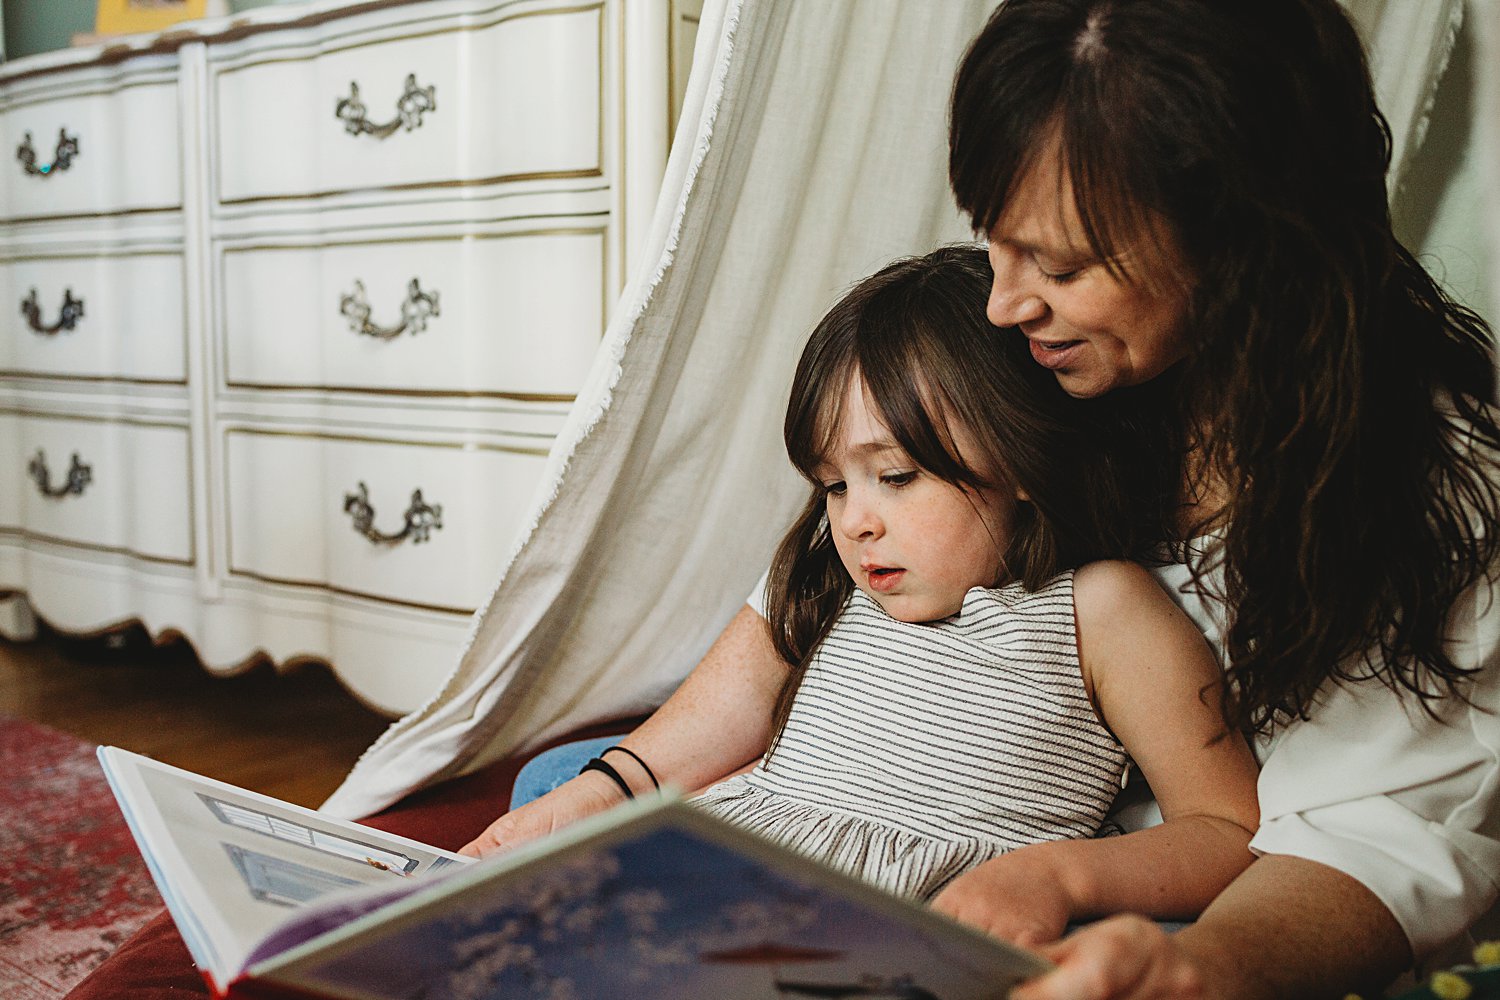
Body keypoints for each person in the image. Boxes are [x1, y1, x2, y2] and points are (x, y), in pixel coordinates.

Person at [468, 2, 1500, 997]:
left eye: (1059, 262)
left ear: (1243, 246)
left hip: (1182, 873)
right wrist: (607, 788)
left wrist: (1177, 957)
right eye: (997, 240)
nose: (1005, 303)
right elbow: (796, 615)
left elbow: (1359, 836)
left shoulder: (1422, 483)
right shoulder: (1030, 361)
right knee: (560, 781)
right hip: (926, 812)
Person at [683, 246, 1259, 939]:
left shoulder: (1099, 607)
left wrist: (1057, 876)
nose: (855, 521)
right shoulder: (845, 588)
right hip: (730, 887)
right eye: (835, 486)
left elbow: (1229, 827)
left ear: (1018, 454)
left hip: (897, 932)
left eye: (895, 476)